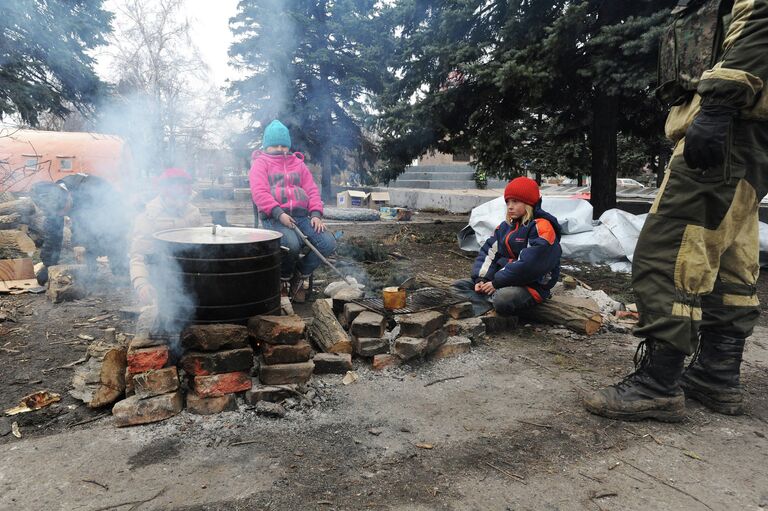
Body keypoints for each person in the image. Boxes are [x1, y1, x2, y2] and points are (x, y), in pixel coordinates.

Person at [584, 0, 768, 422]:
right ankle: (717, 376)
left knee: (668, 254)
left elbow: (759, 16)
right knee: (728, 261)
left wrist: (719, 106)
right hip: (750, 135)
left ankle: (657, 385)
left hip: (732, 129)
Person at [249, 120, 336, 303]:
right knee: (292, 244)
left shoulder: (298, 164)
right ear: (266, 146)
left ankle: (300, 273)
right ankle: (283, 281)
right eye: (274, 145)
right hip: (274, 217)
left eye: (283, 145)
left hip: (301, 216)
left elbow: (312, 190)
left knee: (327, 243)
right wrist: (279, 214)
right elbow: (260, 193)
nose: (280, 149)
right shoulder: (260, 163)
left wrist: (316, 215)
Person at [452, 177, 561, 316]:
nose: (510, 206)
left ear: (529, 203)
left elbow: (529, 265)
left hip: (531, 285)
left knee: (502, 298)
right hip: (500, 282)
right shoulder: (504, 227)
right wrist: (482, 279)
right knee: (457, 286)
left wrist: (496, 283)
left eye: (515, 201)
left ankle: (486, 304)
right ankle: (488, 304)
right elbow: (489, 253)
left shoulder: (541, 227)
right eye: (508, 201)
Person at [30, 173, 129, 285]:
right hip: (87, 216)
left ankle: (121, 269)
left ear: (68, 195)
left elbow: (114, 228)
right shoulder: (51, 200)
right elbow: (52, 236)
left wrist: (114, 260)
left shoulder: (91, 189)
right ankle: (88, 270)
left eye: (65, 209)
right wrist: (48, 266)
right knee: (79, 240)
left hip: (111, 215)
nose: (62, 214)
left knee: (100, 241)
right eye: (59, 213)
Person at [130, 168, 202, 306]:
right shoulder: (149, 216)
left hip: (190, 276)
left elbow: (200, 247)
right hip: (161, 277)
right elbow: (138, 255)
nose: (179, 203)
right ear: (164, 194)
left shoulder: (194, 212)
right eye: (174, 198)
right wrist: (142, 284)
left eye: (183, 198)